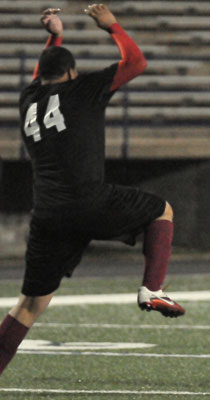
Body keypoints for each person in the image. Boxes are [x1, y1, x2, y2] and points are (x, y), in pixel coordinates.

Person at [0, 5, 185, 377]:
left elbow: (43, 73)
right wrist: (111, 26)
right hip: (89, 201)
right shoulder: (82, 88)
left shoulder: (27, 101)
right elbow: (135, 63)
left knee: (28, 306)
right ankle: (152, 289)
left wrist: (55, 36)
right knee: (162, 210)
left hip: (48, 215)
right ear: (71, 73)